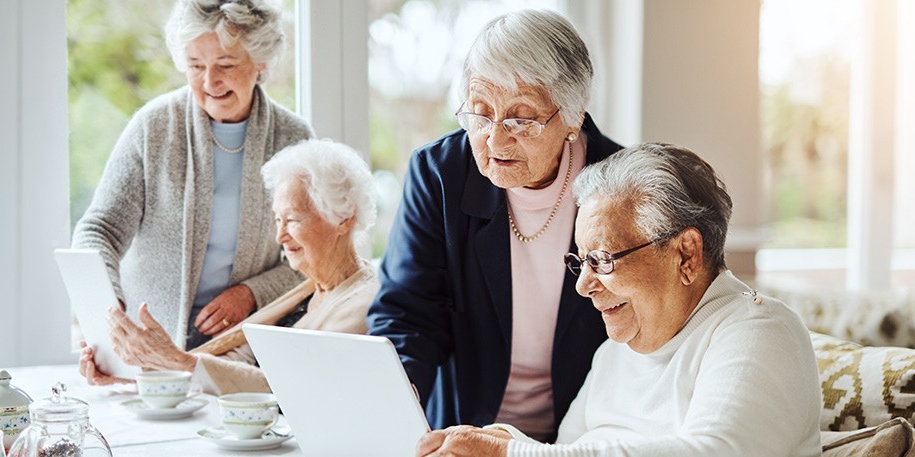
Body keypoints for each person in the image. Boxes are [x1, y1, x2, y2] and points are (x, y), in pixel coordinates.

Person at [415, 143, 823, 457]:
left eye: (604, 259)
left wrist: (512, 451)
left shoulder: (759, 332)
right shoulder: (617, 351)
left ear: (687, 254)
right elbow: (564, 451)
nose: (583, 285)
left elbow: (711, 453)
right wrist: (503, 439)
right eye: (582, 261)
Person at [367, 9, 623, 441]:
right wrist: (400, 394)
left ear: (574, 115)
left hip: (585, 433)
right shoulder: (440, 175)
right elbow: (408, 312)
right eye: (481, 113)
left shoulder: (622, 183)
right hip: (466, 429)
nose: (495, 139)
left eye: (521, 118)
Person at [72, 0, 314, 350]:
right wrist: (108, 312)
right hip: (149, 342)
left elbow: (316, 257)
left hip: (245, 346)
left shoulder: (294, 139)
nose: (209, 81)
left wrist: (251, 294)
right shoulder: (153, 127)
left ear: (260, 62)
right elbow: (99, 230)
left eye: (225, 64)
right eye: (195, 65)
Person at [79, 139, 379, 395]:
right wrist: (134, 370)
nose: (280, 236)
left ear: (343, 218)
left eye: (293, 220)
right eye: (277, 220)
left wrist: (176, 362)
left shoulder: (367, 303)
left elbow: (293, 388)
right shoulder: (306, 291)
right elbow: (235, 361)